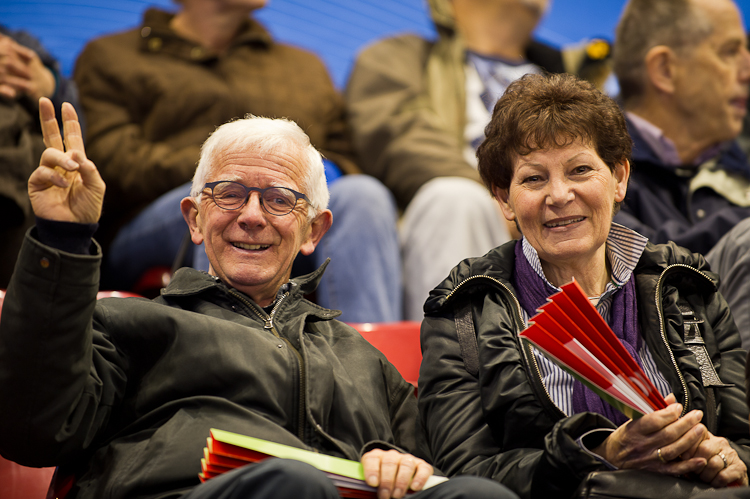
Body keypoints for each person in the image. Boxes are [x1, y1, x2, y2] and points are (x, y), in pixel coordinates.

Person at [0, 99, 517, 499]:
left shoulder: (367, 363)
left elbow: (430, 467)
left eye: (278, 200)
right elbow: (34, 429)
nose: (251, 215)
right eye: (229, 193)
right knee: (294, 486)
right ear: (194, 218)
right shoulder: (124, 325)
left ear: (314, 230)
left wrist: (399, 460)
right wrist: (61, 238)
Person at [417, 73, 750, 499]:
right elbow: (466, 472)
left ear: (619, 178)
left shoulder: (687, 285)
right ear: (504, 199)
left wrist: (729, 460)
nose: (559, 194)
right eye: (534, 179)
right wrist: (601, 453)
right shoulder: (463, 309)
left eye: (580, 170)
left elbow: (741, 435)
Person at [73, 0, 401, 322]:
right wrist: (239, 169)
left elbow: (344, 156)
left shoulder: (304, 65)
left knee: (364, 194)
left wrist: (290, 180)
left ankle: (369, 361)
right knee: (225, 196)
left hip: (285, 211)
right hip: (153, 217)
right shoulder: (112, 56)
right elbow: (113, 162)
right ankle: (224, 353)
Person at [346, 0, 611, 321]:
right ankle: (454, 363)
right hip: (458, 221)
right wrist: (506, 198)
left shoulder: (574, 78)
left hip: (553, 225)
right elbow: (401, 138)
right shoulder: (398, 58)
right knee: (455, 200)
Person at [610, 0, 750, 345]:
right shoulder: (590, 164)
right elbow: (651, 264)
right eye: (730, 51)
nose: (746, 68)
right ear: (665, 71)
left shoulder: (738, 162)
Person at [0, 26, 81, 288]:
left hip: (23, 185)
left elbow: (78, 130)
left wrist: (49, 84)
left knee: (48, 168)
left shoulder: (19, 44)